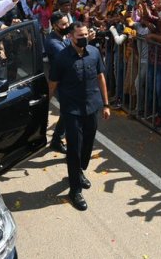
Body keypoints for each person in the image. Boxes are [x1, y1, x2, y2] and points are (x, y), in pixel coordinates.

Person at [49, 21, 111, 211]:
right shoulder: (61, 58)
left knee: (88, 143)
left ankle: (79, 171)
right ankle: (74, 189)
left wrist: (106, 104)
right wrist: (43, 107)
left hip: (92, 106)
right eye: (79, 36)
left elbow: (100, 77)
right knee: (74, 148)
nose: (84, 38)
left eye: (85, 35)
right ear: (70, 37)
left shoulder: (93, 52)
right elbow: (52, 84)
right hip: (71, 109)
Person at [44, 11, 71, 153]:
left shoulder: (62, 37)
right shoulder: (53, 42)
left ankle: (59, 137)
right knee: (68, 111)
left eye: (67, 22)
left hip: (67, 79)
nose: (67, 26)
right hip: (60, 81)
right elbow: (69, 55)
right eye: (63, 24)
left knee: (69, 111)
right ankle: (57, 139)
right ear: (55, 26)